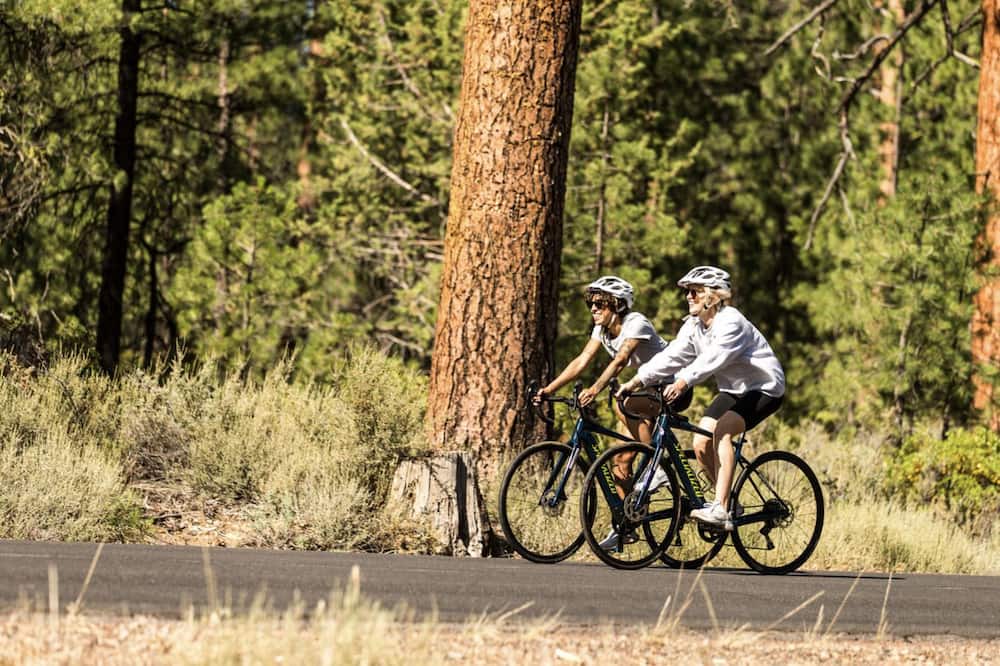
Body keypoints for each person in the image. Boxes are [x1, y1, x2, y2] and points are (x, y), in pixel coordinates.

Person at [617, 265, 785, 531]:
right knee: (700, 442)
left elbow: (712, 359)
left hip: (765, 387)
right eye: (688, 292)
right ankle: (728, 502)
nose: (689, 297)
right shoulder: (694, 325)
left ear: (714, 296)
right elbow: (671, 356)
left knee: (723, 431)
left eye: (695, 292)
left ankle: (719, 507)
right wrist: (637, 380)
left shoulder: (732, 322)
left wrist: (684, 381)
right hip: (733, 390)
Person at [534, 276, 688, 497]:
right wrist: (549, 389)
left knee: (622, 404)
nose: (593, 309)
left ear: (618, 304)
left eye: (599, 304)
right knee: (620, 461)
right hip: (647, 391)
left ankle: (658, 467)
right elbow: (582, 360)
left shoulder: (636, 323)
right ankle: (626, 526)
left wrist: (595, 389)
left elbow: (621, 360)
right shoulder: (602, 329)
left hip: (675, 386)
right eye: (591, 304)